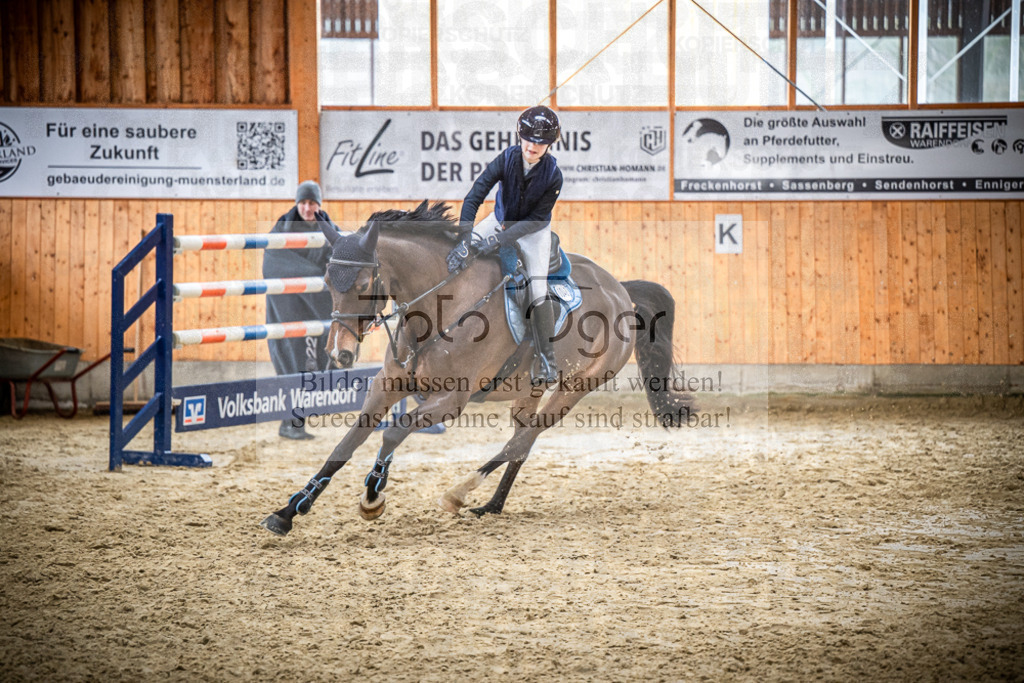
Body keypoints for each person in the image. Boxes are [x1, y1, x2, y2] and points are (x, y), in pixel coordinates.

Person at [448, 106, 564, 384]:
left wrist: (499, 241)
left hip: (532, 232)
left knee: (537, 288)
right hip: (499, 220)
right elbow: (474, 196)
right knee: (456, 259)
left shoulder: (553, 176)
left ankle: (547, 358)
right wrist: (465, 238)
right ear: (519, 136)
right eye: (528, 139)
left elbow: (536, 219)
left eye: (540, 142)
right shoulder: (506, 159)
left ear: (549, 144)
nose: (532, 146)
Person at [263, 180, 333, 439]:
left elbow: (337, 259)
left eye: (312, 203)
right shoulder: (282, 228)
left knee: (318, 360)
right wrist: (315, 275)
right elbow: (274, 264)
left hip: (317, 307)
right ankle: (289, 424)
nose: (307, 208)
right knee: (293, 360)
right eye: (303, 203)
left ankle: (301, 419)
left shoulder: (329, 227)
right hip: (289, 307)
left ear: (319, 204)